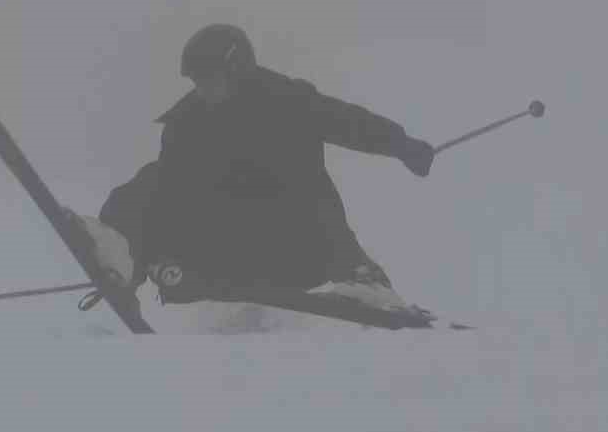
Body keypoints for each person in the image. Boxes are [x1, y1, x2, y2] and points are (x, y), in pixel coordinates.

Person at [74, 24, 435, 303]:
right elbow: (166, 196)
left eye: (210, 79)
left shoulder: (287, 102)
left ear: (237, 69)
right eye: (198, 81)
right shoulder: (187, 125)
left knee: (302, 183)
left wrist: (402, 145)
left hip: (298, 248)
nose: (203, 90)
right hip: (226, 254)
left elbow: (349, 122)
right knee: (154, 179)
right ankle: (121, 256)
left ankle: (359, 276)